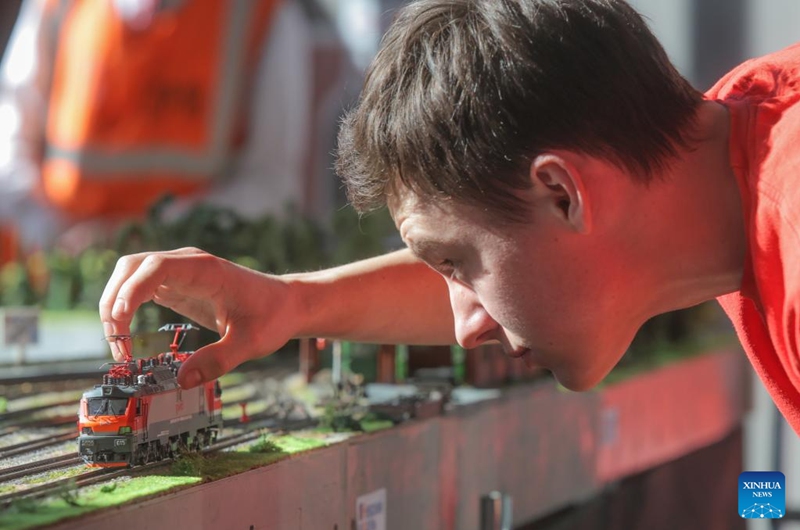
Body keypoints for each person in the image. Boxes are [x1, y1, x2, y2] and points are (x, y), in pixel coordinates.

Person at [99, 0, 800, 436]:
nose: (466, 328)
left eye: (455, 263)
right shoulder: (728, 144)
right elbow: (532, 259)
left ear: (562, 192)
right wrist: (292, 304)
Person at [0, 0, 350, 256]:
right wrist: (55, 238)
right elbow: (9, 159)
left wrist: (146, 240)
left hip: (191, 286)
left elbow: (273, 189)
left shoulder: (264, 14)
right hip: (54, 273)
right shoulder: (54, 7)